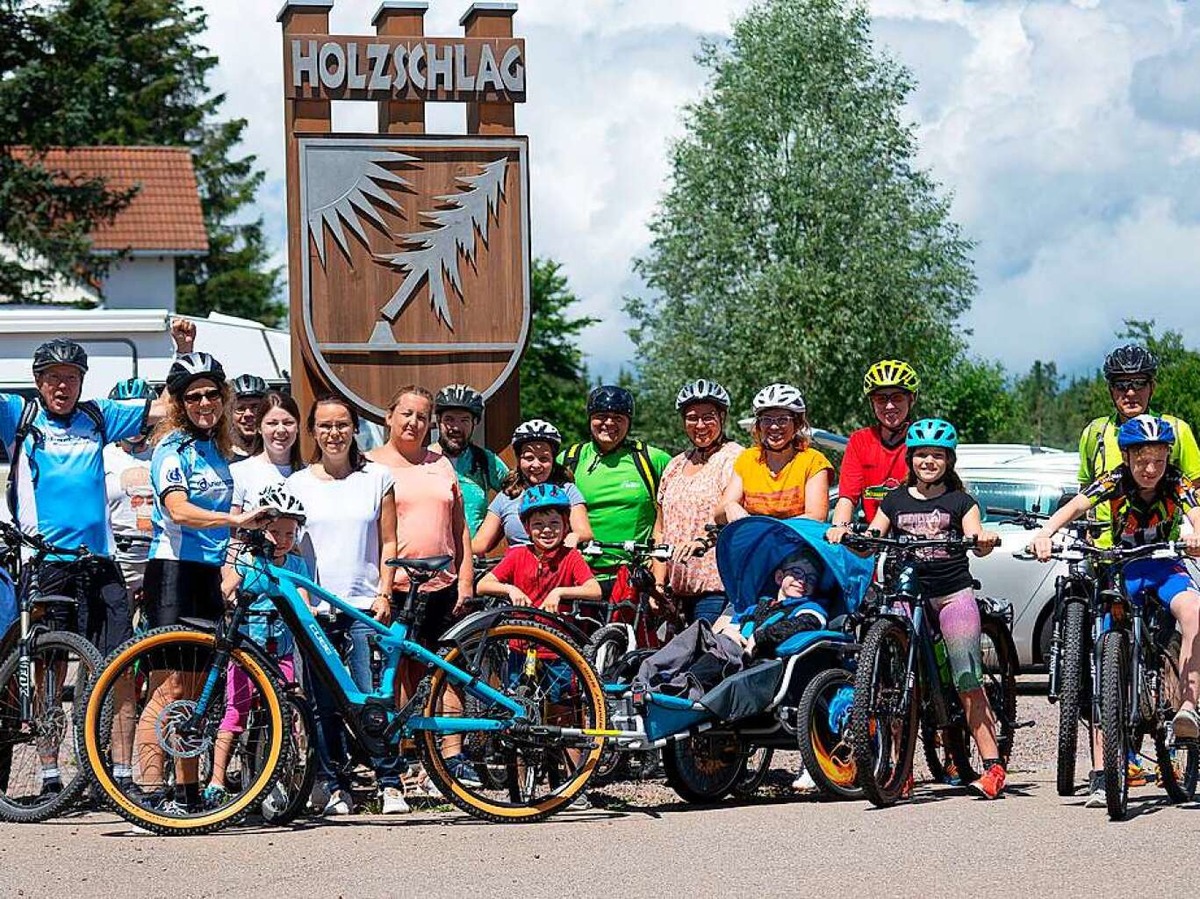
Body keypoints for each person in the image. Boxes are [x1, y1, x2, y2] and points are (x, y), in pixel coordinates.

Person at [830, 417, 1006, 800]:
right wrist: (846, 535)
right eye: (922, 454)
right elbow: (874, 536)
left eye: (937, 456)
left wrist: (982, 539)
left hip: (951, 594)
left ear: (949, 461)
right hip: (907, 595)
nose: (928, 461)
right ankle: (900, 769)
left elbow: (976, 535)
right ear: (910, 458)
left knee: (966, 678)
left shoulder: (961, 501)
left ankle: (992, 766)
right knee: (897, 686)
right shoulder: (895, 500)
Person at [1029, 415, 1200, 808]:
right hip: (1122, 567)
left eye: (1158, 459)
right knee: (1108, 645)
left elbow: (1195, 512)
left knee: (1194, 612)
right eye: (1142, 460)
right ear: (1126, 456)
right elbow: (1076, 506)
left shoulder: (1176, 481)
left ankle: (1188, 710)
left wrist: (1195, 534)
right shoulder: (1114, 480)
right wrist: (1045, 534)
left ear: (1167, 456)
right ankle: (1108, 766)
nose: (1150, 469)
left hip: (1164, 564)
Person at [136, 352, 268, 811]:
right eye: (194, 396)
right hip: (172, 570)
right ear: (179, 403)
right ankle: (149, 795)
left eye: (213, 393)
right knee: (167, 689)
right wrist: (234, 520)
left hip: (208, 575)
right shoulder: (171, 449)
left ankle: (187, 793)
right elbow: (178, 510)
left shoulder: (219, 450)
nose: (205, 402)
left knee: (193, 694)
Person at [286, 395, 399, 815]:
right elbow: (291, 547)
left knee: (373, 700)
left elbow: (389, 540)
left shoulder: (378, 478)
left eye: (342, 425)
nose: (334, 434)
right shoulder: (298, 483)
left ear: (354, 429)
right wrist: (300, 597)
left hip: (364, 606)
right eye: (325, 426)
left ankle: (390, 781)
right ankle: (334, 784)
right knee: (323, 704)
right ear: (313, 432)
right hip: (316, 609)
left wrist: (385, 592)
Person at [367, 386, 476, 790]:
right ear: (389, 417)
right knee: (393, 675)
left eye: (421, 416)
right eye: (406, 414)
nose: (413, 422)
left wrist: (466, 579)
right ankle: (402, 757)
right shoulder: (371, 465)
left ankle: (453, 757)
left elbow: (460, 527)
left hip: (442, 584)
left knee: (445, 670)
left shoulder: (441, 464)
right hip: (392, 586)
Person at [474, 483, 601, 809]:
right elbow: (482, 583)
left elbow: (594, 590)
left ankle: (575, 785)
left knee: (565, 715)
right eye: (538, 525)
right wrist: (508, 589)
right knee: (518, 718)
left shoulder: (570, 557)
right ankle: (520, 789)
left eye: (554, 524)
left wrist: (561, 593)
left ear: (566, 526)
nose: (547, 531)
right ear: (527, 528)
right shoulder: (517, 555)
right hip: (520, 647)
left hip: (558, 650)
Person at [207, 484, 311, 808]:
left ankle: (285, 775)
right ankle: (217, 779)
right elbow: (224, 590)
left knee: (287, 711)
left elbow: (304, 605)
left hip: (279, 651)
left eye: (289, 533)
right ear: (260, 530)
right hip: (246, 652)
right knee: (235, 712)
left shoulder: (296, 565)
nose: (282, 539)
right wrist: (234, 581)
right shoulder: (246, 559)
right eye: (275, 531)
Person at [653, 380, 743, 625]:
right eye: (692, 418)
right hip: (676, 591)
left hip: (717, 589)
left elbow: (732, 515)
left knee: (703, 659)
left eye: (708, 417)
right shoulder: (674, 465)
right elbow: (660, 529)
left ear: (722, 417)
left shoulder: (735, 458)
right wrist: (659, 582)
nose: (700, 425)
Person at [561, 385, 671, 579]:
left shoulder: (652, 459)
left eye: (618, 418)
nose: (609, 423)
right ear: (590, 419)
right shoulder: (570, 459)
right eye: (601, 416)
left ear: (629, 423)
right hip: (580, 576)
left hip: (634, 576)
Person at [1078, 345, 1200, 492]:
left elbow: (1196, 487)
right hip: (1106, 516)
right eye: (1121, 385)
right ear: (1111, 390)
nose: (1130, 392)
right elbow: (1085, 488)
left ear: (1152, 387)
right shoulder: (1095, 432)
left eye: (1139, 383)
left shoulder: (1176, 429)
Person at [471, 419, 591, 555]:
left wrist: (573, 537)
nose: (536, 465)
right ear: (518, 459)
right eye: (529, 458)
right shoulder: (506, 496)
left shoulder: (567, 490)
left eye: (544, 459)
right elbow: (480, 544)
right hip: (518, 569)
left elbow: (584, 531)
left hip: (559, 567)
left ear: (553, 459)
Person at [828, 360, 919, 537]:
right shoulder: (860, 441)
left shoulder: (922, 440)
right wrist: (840, 526)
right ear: (872, 403)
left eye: (897, 398)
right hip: (874, 537)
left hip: (916, 535)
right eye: (881, 399)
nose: (889, 406)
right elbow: (847, 497)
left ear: (912, 399)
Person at [721, 383, 832, 523]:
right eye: (767, 419)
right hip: (754, 543)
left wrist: (766, 529)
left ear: (797, 424)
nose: (774, 426)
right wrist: (730, 506)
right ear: (759, 425)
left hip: (796, 542)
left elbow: (816, 516)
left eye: (783, 420)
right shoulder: (748, 459)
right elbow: (718, 515)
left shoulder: (814, 461)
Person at [103, 378, 159, 616]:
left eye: (141, 412)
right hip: (118, 557)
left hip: (156, 556)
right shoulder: (103, 454)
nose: (135, 420)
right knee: (117, 639)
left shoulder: (162, 453)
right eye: (127, 411)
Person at [430, 384, 508, 537]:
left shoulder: (485, 460)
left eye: (464, 420)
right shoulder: (422, 460)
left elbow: (517, 494)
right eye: (449, 419)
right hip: (430, 557)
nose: (456, 427)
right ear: (438, 420)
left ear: (474, 423)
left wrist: (490, 537)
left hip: (474, 557)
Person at [230, 391, 303, 515]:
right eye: (272, 423)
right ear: (259, 427)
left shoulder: (310, 474)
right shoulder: (238, 473)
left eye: (288, 423)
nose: (280, 430)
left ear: (297, 427)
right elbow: (232, 527)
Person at [230, 374, 269, 459]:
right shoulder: (219, 455)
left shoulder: (280, 455)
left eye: (255, 407)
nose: (248, 414)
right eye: (240, 408)